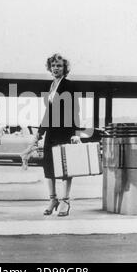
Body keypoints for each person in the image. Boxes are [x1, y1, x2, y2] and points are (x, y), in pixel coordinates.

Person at [33, 53, 81, 217]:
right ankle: (53, 199)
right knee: (49, 165)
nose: (56, 68)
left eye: (59, 66)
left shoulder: (69, 85)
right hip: (51, 132)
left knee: (65, 167)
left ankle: (65, 201)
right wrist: (39, 132)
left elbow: (75, 110)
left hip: (65, 131)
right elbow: (49, 111)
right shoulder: (51, 85)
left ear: (65, 68)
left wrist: (76, 133)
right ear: (50, 67)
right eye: (53, 65)